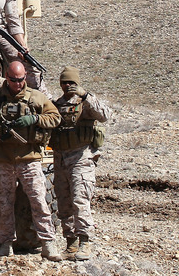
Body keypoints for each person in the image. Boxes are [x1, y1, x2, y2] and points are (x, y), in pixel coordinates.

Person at [0, 61, 62, 261]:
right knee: (4, 204)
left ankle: (48, 243)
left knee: (39, 201)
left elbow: (55, 117)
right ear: (7, 77)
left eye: (21, 79)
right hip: (3, 160)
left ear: (25, 78)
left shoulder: (36, 98)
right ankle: (5, 244)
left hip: (29, 159)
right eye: (13, 80)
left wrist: (35, 120)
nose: (17, 84)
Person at [50, 67, 111, 261]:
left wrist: (85, 95)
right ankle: (71, 242)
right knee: (63, 202)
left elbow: (105, 115)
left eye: (71, 83)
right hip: (60, 159)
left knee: (80, 199)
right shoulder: (56, 104)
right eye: (64, 82)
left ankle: (85, 241)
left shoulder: (85, 103)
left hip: (81, 158)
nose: (67, 86)